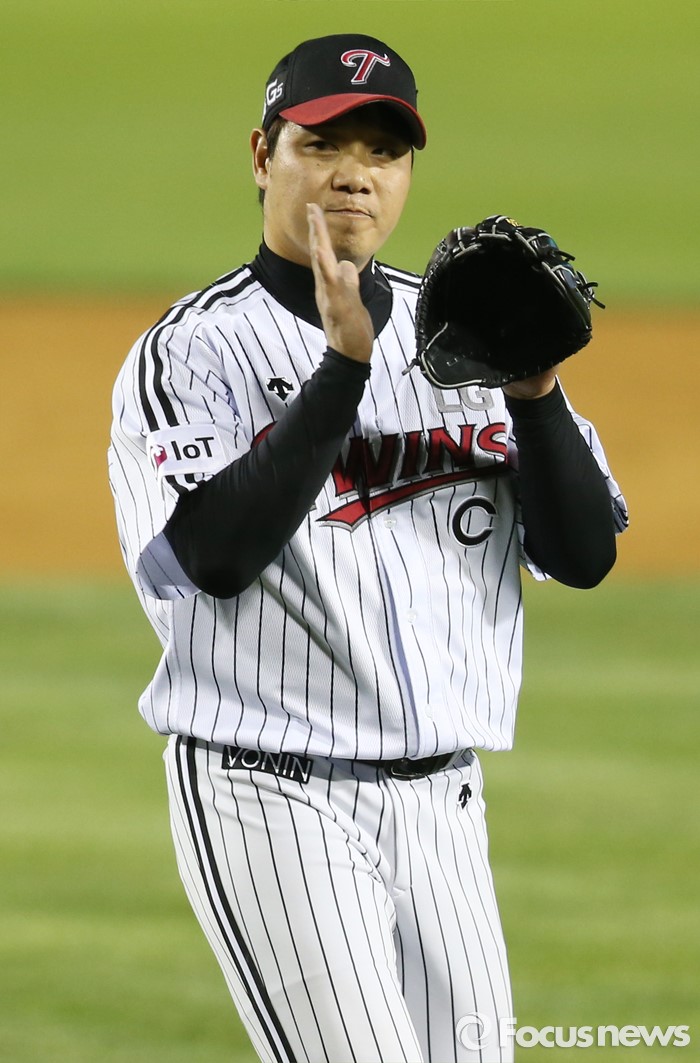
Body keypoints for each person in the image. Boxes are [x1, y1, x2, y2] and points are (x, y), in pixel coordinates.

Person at [109, 32, 627, 1063]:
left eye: (384, 151)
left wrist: (535, 391)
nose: (356, 173)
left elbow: (582, 555)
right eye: (323, 143)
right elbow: (212, 554)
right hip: (272, 794)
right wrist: (342, 371)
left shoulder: (470, 329)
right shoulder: (192, 350)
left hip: (446, 802)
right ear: (263, 155)